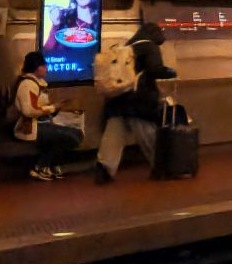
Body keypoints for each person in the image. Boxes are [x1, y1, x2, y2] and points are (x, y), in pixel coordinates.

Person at [96, 22, 176, 184]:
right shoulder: (150, 47)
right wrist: (170, 72)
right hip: (138, 101)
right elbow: (155, 69)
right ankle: (163, 167)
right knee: (149, 136)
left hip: (116, 99)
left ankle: (103, 171)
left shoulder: (127, 46)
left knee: (113, 138)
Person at [14, 52, 82, 180]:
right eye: (43, 65)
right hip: (30, 128)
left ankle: (50, 166)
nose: (46, 68)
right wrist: (52, 108)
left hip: (42, 123)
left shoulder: (39, 83)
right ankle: (41, 167)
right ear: (36, 67)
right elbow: (29, 111)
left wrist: (58, 107)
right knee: (71, 137)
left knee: (76, 134)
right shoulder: (28, 84)